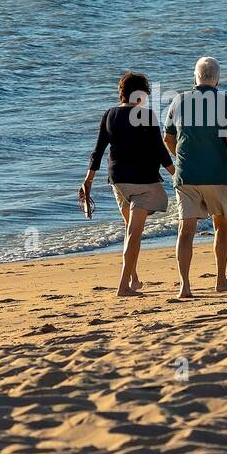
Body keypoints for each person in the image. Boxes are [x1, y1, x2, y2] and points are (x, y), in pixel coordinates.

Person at [82, 71, 174, 297]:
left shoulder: (109, 114)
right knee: (134, 233)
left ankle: (133, 278)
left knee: (129, 229)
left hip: (118, 181)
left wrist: (88, 180)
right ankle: (123, 287)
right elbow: (160, 152)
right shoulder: (147, 116)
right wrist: (177, 175)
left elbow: (98, 150)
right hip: (142, 182)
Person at [163, 56, 227, 299]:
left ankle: (185, 287)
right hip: (218, 175)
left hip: (186, 175)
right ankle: (220, 280)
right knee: (221, 225)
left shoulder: (178, 101)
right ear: (217, 79)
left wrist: (181, 157)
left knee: (185, 230)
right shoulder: (225, 103)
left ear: (195, 77)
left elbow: (167, 138)